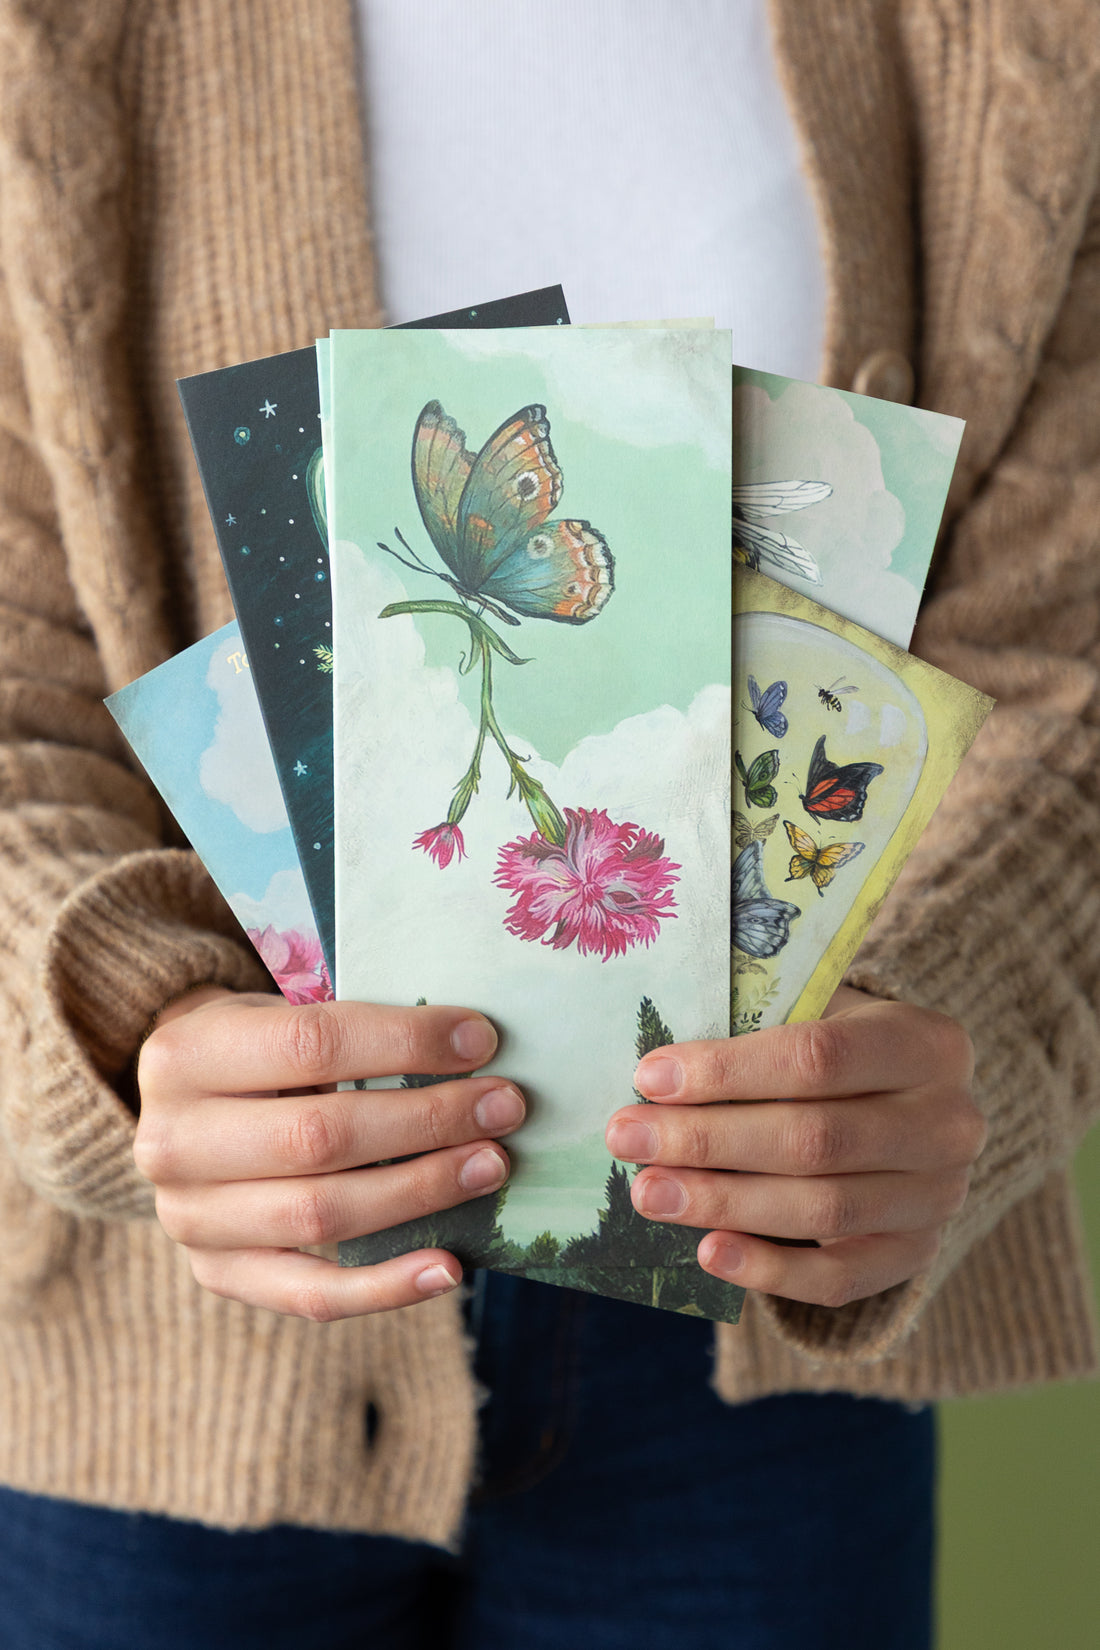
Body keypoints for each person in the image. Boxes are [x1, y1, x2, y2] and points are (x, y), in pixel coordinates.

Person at [0, 3, 1096, 1647]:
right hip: (163, 1339)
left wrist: (951, 1025)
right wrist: (106, 1018)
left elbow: (1065, 647)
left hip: (764, 1296)